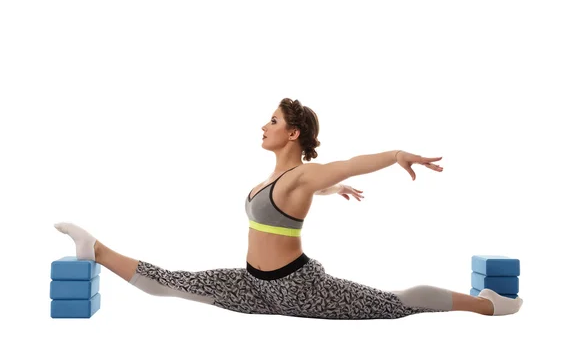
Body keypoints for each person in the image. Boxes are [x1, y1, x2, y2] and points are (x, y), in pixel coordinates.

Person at [54, 97, 523, 319]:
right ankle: (94, 248)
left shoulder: (301, 174)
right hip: (254, 285)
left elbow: (349, 164)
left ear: (292, 134)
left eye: (273, 121)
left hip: (300, 289)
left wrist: (395, 155)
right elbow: (289, 204)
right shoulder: (281, 180)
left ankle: (486, 307)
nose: (264, 125)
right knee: (172, 285)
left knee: (396, 304)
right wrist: (327, 195)